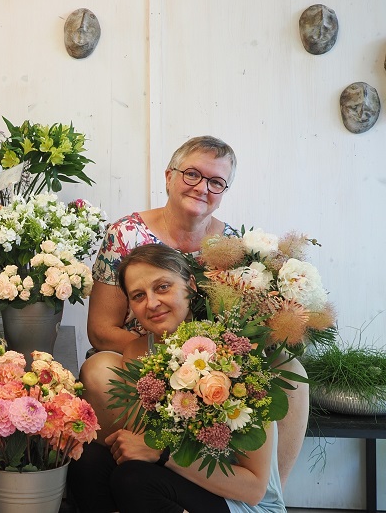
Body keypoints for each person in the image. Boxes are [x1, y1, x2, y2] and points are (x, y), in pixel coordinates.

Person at [80, 135, 307, 483]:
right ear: (169, 176)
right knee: (99, 369)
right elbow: (100, 329)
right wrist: (166, 362)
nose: (202, 187)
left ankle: (260, 496)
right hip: (142, 358)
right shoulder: (124, 235)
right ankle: (156, 469)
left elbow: (239, 324)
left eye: (216, 182)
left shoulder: (232, 246)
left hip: (216, 364)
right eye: (192, 175)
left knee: (291, 371)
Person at [69, 244, 287, 512]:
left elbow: (254, 489)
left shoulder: (231, 353)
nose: (151, 303)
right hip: (178, 479)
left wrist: (161, 455)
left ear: (191, 285)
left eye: (162, 287)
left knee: (134, 478)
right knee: (87, 460)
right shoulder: (138, 352)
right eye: (138, 295)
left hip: (239, 500)